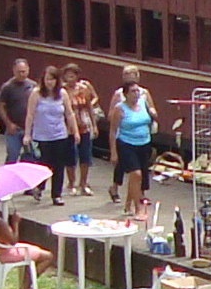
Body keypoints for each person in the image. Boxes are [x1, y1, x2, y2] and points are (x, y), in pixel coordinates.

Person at [112, 68, 159, 220]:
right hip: (126, 143)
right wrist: (113, 152)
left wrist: (153, 114)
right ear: (125, 94)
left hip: (144, 143)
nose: (137, 94)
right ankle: (138, 208)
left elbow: (153, 114)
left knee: (139, 176)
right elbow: (113, 131)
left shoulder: (143, 102)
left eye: (137, 91)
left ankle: (128, 201)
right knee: (136, 174)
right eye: (133, 91)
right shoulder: (120, 109)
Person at [26, 60, 71, 202]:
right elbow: (30, 114)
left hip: (59, 134)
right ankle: (39, 187)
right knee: (44, 165)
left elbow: (69, 113)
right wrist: (27, 134)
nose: (50, 82)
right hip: (42, 136)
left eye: (52, 79)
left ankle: (56, 195)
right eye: (47, 79)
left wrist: (74, 132)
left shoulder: (62, 94)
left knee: (59, 166)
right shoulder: (36, 94)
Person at [62, 67, 102, 197]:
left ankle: (83, 184)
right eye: (67, 76)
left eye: (72, 76)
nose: (70, 79)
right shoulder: (62, 91)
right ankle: (72, 183)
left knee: (85, 156)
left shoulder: (83, 89)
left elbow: (89, 107)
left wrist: (94, 125)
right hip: (68, 128)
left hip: (84, 125)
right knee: (70, 157)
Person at [0, 60, 40, 169]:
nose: (22, 74)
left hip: (29, 129)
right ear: (14, 71)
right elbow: (0, 106)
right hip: (14, 128)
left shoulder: (33, 86)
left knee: (31, 156)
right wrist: (8, 123)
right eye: (19, 72)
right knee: (12, 155)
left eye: (24, 72)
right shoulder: (7, 87)